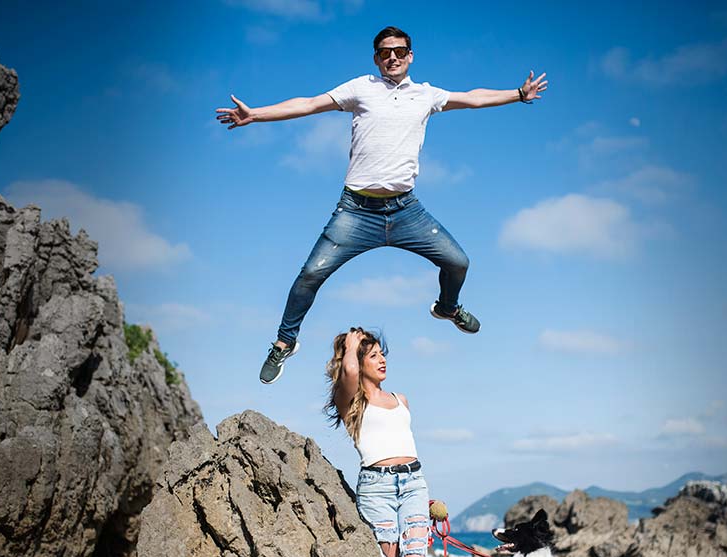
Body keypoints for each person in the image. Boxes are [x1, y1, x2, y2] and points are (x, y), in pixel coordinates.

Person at [217, 26, 548, 384]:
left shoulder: (426, 95)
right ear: (376, 58)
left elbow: (473, 98)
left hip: (406, 212)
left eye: (400, 51)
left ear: (410, 56)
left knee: (458, 262)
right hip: (356, 212)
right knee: (310, 275)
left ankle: (447, 307)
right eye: (384, 52)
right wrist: (256, 115)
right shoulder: (361, 88)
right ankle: (285, 343)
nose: (392, 57)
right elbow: (309, 104)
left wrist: (518, 94)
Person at [325, 327, 442, 557]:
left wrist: (423, 496)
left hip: (413, 484)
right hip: (375, 489)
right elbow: (346, 373)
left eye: (382, 353)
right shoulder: (351, 401)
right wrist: (349, 343)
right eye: (373, 354)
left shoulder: (401, 399)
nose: (382, 359)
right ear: (357, 362)